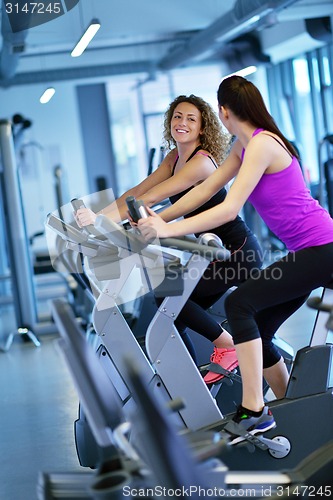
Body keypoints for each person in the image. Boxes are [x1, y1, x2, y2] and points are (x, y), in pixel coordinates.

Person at [138, 75, 333, 443]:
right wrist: (158, 220)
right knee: (258, 325)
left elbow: (228, 209)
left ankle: (254, 411)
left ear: (225, 113)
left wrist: (166, 230)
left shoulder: (261, 146)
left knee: (242, 304)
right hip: (310, 251)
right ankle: (291, 407)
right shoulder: (243, 149)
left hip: (321, 249)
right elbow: (206, 191)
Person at [75, 94, 263, 384]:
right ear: (170, 122)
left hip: (236, 252)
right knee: (170, 309)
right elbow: (138, 192)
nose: (182, 123)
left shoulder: (201, 163)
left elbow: (154, 197)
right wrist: (97, 216)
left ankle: (226, 344)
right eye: (177, 116)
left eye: (191, 119)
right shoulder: (174, 157)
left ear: (202, 128)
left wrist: (102, 221)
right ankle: (189, 380)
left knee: (168, 296)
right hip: (213, 252)